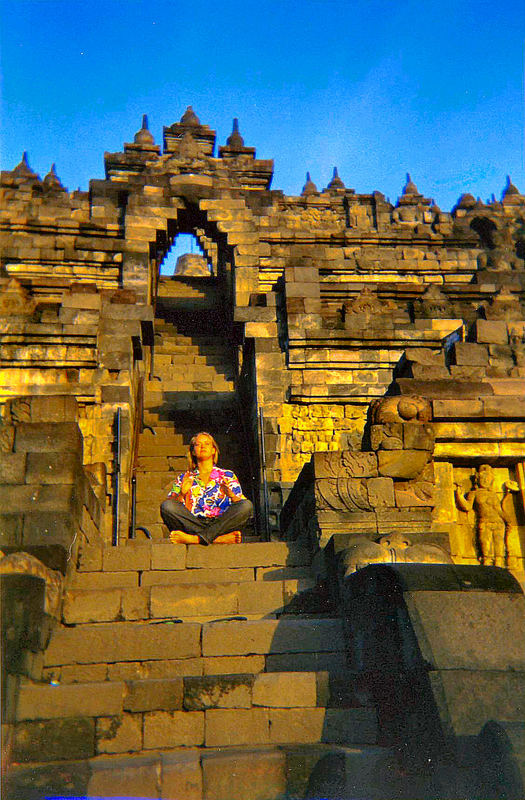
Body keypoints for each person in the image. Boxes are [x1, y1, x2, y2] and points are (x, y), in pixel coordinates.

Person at [160, 431, 253, 545]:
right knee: (167, 506)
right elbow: (170, 506)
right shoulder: (183, 478)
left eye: (207, 444)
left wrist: (231, 495)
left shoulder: (228, 475)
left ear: (214, 450)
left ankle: (195, 539)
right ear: (193, 452)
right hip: (193, 522)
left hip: (221, 523)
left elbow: (241, 504)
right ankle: (217, 539)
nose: (203, 446)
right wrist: (182, 494)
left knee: (246, 505)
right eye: (198, 444)